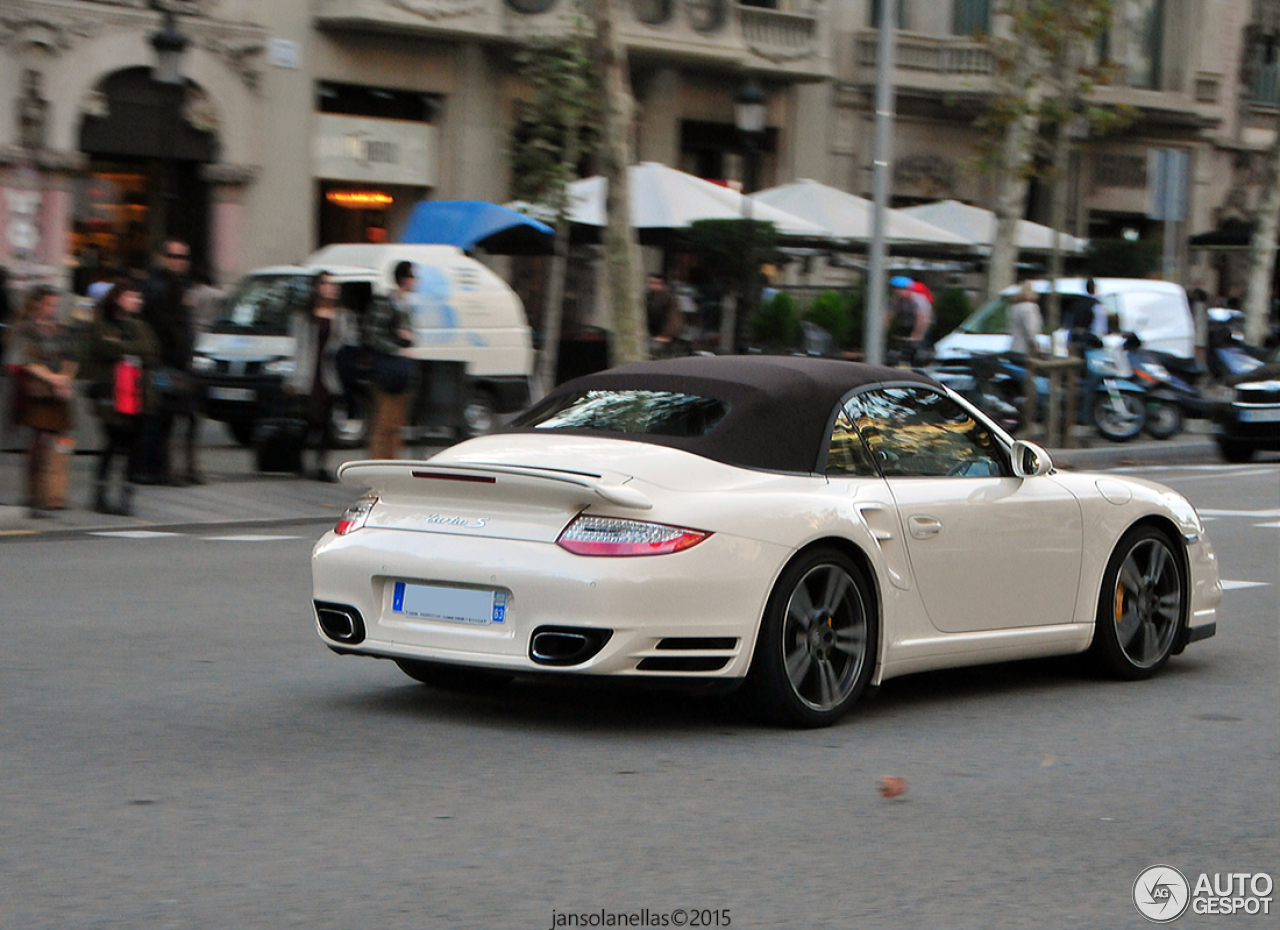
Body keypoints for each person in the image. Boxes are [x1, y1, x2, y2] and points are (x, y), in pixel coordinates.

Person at [84, 280, 159, 515]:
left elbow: (152, 352)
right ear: (118, 298)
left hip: (138, 393)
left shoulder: (140, 325)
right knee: (113, 442)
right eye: (132, 296)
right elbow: (103, 348)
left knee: (135, 445)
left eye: (138, 297)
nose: (137, 301)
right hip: (112, 392)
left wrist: (121, 345)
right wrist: (127, 348)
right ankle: (100, 493)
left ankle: (126, 495)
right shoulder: (101, 321)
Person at [140, 239, 202, 485]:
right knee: (162, 416)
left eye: (183, 257)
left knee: (182, 415)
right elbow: (162, 324)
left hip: (178, 363)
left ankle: (176, 468)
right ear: (163, 257)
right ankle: (159, 469)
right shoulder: (157, 285)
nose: (179, 262)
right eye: (174, 256)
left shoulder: (179, 285)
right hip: (161, 362)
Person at [13, 286, 76, 517]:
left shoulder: (61, 330)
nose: (53, 308)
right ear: (38, 304)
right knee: (37, 441)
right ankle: (33, 495)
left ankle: (52, 493)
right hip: (36, 392)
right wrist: (53, 378)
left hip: (57, 393)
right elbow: (27, 360)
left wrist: (66, 379)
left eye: (55, 304)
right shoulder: (27, 329)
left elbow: (70, 357)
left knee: (57, 441)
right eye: (49, 303)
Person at [285, 271, 351, 481]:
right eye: (326, 284)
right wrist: (292, 378)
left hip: (329, 375)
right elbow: (296, 347)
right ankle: (298, 460)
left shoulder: (341, 316)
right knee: (309, 419)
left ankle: (321, 465)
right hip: (308, 373)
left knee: (326, 422)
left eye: (333, 284)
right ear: (317, 287)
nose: (331, 288)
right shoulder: (304, 315)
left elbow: (346, 344)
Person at [365, 260, 416, 460]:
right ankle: (378, 462)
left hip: (402, 370)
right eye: (412, 277)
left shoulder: (405, 304)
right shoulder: (386, 303)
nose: (414, 282)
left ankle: (391, 461)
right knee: (384, 423)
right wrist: (397, 346)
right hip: (387, 369)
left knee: (396, 424)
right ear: (404, 279)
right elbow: (373, 336)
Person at [888, 275, 933, 364]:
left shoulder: (917, 299)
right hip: (906, 324)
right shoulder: (896, 300)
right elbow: (888, 315)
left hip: (923, 326)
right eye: (895, 289)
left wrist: (916, 336)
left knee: (917, 350)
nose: (897, 292)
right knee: (898, 347)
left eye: (899, 289)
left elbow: (922, 319)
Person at [645, 274, 682, 355]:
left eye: (656, 283)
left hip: (664, 337)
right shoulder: (647, 297)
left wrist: (665, 335)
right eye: (651, 283)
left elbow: (673, 319)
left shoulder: (670, 299)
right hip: (651, 335)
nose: (653, 286)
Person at [1009, 280, 1043, 359]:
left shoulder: (1015, 307)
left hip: (1015, 347)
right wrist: (1036, 346)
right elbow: (1031, 330)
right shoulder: (1030, 308)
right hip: (1025, 350)